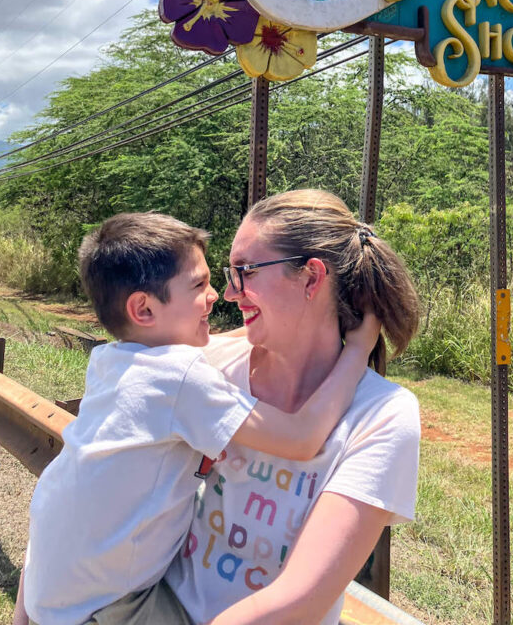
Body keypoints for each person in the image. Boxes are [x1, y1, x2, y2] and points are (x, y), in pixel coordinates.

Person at [14, 212, 379, 625]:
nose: (218, 296)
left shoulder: (114, 360)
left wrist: (284, 322)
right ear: (144, 309)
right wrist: (357, 349)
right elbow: (301, 438)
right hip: (111, 609)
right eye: (199, 285)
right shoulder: (181, 379)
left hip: (54, 584)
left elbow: (222, 342)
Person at [165, 189, 421, 625]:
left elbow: (299, 600)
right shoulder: (209, 369)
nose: (230, 293)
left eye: (244, 272)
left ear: (311, 278)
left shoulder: (383, 417)